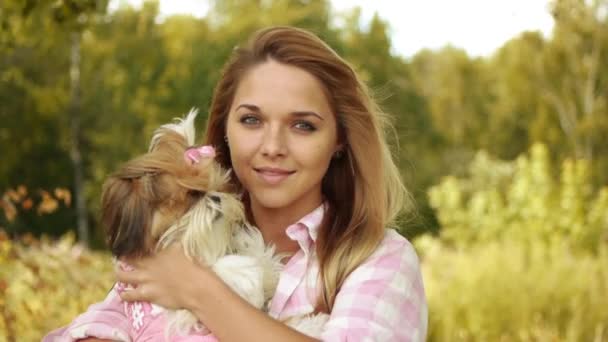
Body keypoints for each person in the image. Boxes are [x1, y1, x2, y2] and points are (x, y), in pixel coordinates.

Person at [80, 25, 427, 341]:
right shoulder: (180, 228)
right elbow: (100, 324)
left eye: (303, 125)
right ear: (226, 129)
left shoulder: (380, 259)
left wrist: (197, 290)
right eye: (251, 120)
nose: (273, 147)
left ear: (340, 139)